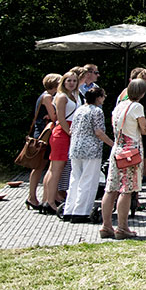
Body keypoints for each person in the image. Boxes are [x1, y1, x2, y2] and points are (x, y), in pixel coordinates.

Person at [100, 78, 146, 239]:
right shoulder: (137, 107)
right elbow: (143, 129)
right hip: (131, 152)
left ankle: (106, 225)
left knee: (111, 188)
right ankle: (122, 227)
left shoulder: (118, 107)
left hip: (117, 149)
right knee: (126, 189)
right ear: (142, 93)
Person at [62, 86, 113, 222]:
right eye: (103, 96)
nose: (104, 99)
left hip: (75, 148)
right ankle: (81, 211)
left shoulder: (79, 110)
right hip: (91, 150)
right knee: (88, 180)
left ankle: (69, 209)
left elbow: (72, 129)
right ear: (98, 98)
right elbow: (98, 132)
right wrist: (113, 144)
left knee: (75, 179)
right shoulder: (97, 111)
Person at [44, 66, 84, 213]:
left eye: (74, 80)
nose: (72, 83)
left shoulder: (74, 95)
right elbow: (60, 118)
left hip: (70, 131)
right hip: (62, 133)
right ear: (63, 82)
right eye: (69, 80)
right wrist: (71, 133)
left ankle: (50, 199)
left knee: (56, 169)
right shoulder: (61, 96)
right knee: (56, 169)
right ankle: (49, 201)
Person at [25, 73, 60, 211]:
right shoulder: (47, 97)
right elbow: (54, 117)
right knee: (39, 166)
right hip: (43, 134)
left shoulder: (44, 95)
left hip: (40, 132)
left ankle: (33, 197)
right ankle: (32, 197)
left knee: (39, 166)